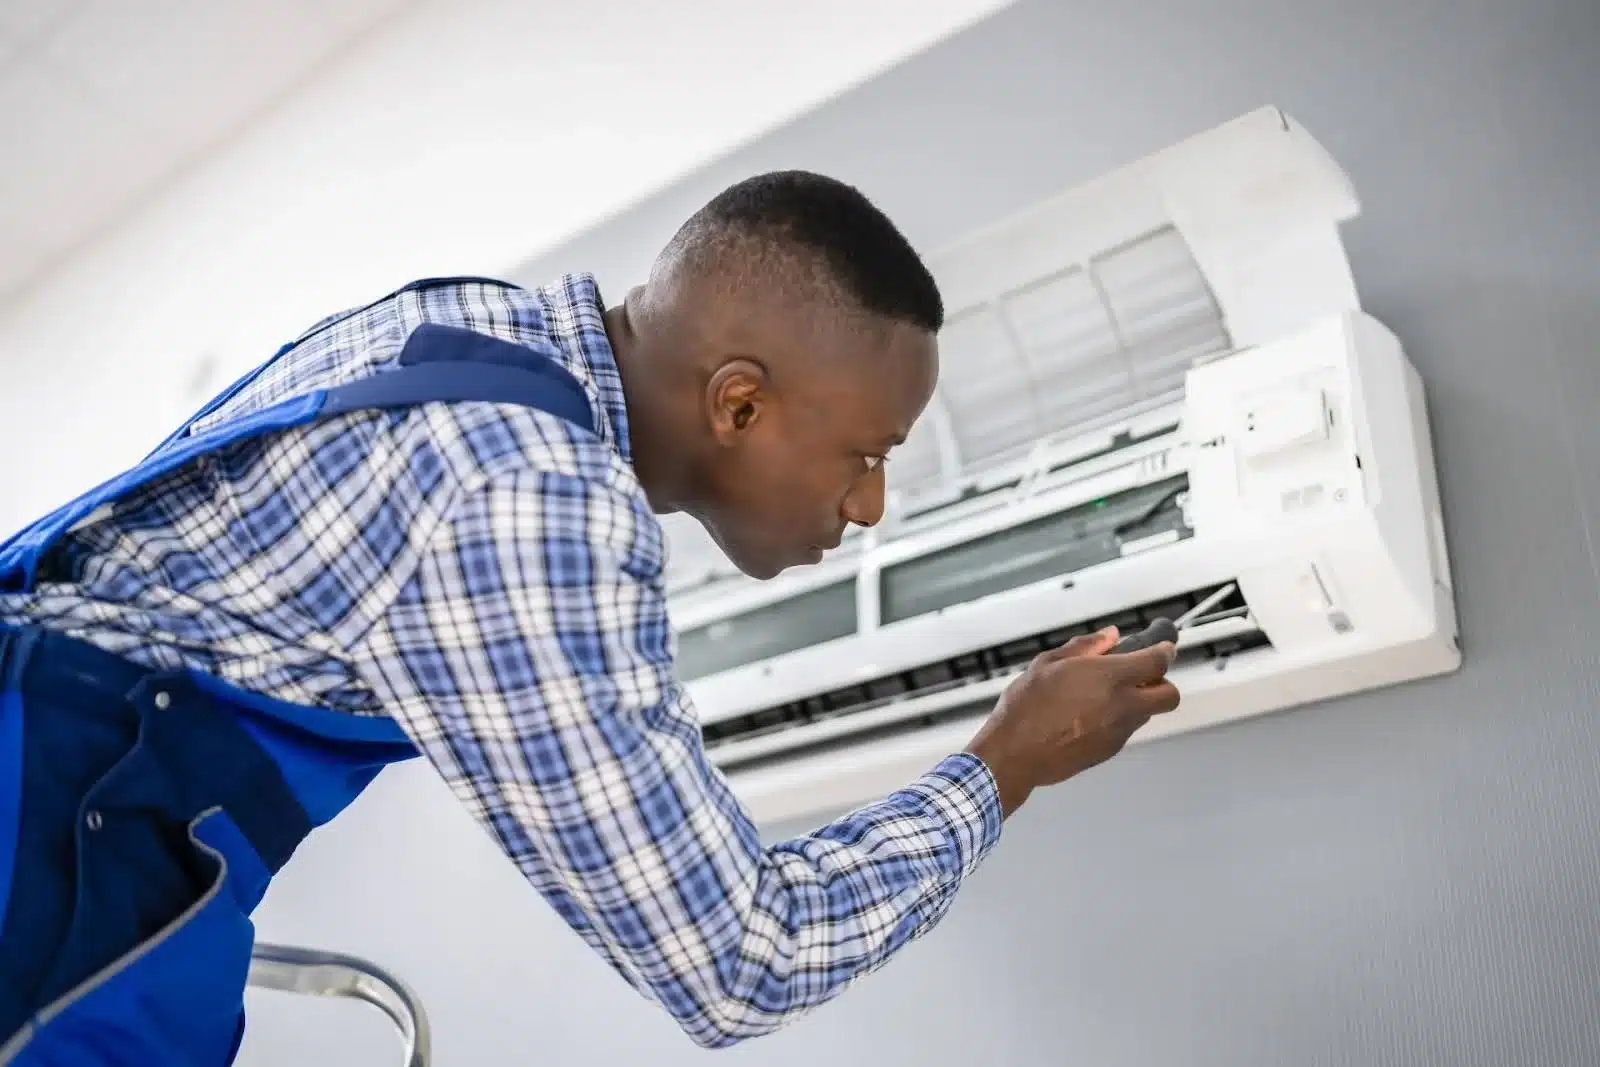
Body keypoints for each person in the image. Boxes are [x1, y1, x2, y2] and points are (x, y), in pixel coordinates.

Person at [0, 171, 1180, 1063]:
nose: (868, 503)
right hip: (42, 859)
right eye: (865, 453)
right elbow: (740, 961)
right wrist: (1002, 762)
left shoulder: (467, 325)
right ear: (740, 401)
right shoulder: (535, 496)